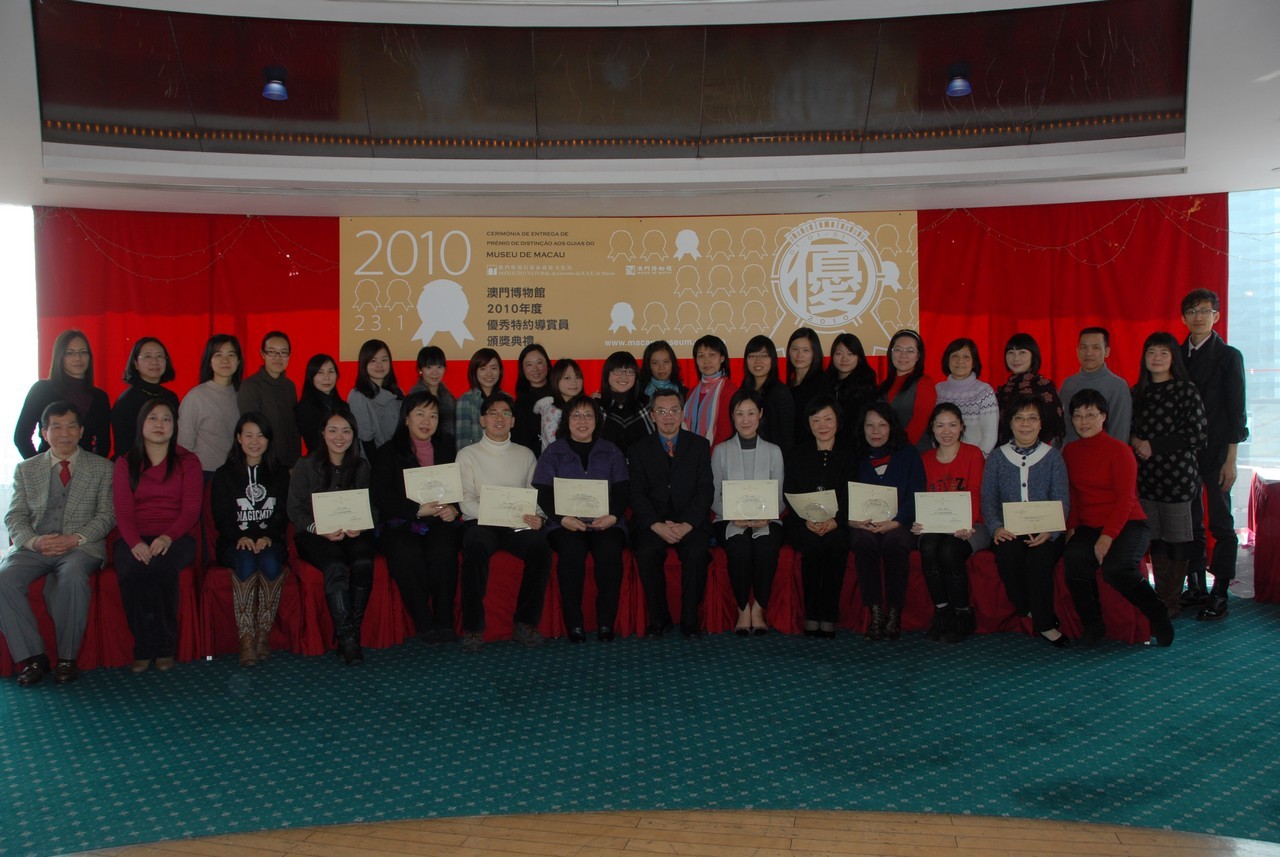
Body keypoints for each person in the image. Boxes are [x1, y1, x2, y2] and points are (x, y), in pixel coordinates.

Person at [0, 402, 114, 686]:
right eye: (57, 427)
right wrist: (34, 541)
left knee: (72, 576)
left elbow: (107, 515)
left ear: (82, 431)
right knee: (3, 579)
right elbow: (14, 515)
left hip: (80, 547)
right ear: (44, 432)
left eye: (72, 426)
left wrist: (74, 538)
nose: (65, 433)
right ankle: (33, 658)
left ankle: (67, 658)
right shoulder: (26, 469)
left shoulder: (102, 467)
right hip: (36, 547)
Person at [1062, 389, 1173, 647]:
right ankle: (1093, 624)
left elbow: (1126, 500)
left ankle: (1157, 612)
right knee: (1074, 557)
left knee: (1115, 568)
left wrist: (1107, 536)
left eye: (1090, 415)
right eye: (1077, 416)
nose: (1083, 421)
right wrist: (1071, 529)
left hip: (1128, 523)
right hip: (1089, 524)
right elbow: (1074, 496)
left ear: (1104, 417)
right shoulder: (1070, 451)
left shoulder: (1120, 451)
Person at [456, 391, 552, 651]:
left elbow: (535, 495)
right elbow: (465, 501)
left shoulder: (526, 454)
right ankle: (473, 628)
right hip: (481, 522)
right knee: (475, 548)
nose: (499, 418)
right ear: (482, 420)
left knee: (540, 549)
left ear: (513, 421)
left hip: (516, 524)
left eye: (506, 413)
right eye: (492, 413)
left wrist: (539, 518)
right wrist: (494, 513)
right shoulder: (467, 454)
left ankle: (525, 623)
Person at [112, 399, 202, 673]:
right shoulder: (125, 462)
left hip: (177, 536)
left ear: (175, 427)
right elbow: (123, 511)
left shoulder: (188, 461)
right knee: (131, 569)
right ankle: (143, 646)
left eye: (166, 419)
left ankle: (165, 647)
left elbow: (191, 510)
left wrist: (167, 537)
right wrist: (135, 543)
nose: (159, 424)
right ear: (141, 424)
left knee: (161, 567)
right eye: (153, 418)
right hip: (135, 536)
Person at [532, 394, 629, 643]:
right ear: (566, 420)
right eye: (576, 415)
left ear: (597, 420)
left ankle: (606, 622)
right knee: (571, 552)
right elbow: (543, 491)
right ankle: (574, 624)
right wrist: (562, 518)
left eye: (588, 415)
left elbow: (623, 489)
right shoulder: (553, 452)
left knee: (610, 551)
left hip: (606, 522)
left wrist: (613, 516)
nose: (582, 421)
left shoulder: (611, 451)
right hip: (564, 523)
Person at [371, 391, 461, 644]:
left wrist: (454, 508)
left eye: (433, 415)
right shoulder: (388, 451)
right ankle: (423, 621)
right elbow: (380, 495)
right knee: (406, 553)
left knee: (444, 550)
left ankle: (444, 620)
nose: (426, 421)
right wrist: (417, 510)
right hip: (401, 522)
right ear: (406, 418)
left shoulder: (448, 446)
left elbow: (460, 487)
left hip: (439, 520)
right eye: (420, 414)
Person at [982, 394, 1072, 647]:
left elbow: (1062, 499)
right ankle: (1026, 608)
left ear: (1041, 424)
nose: (1025, 424)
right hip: (1009, 529)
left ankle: (1044, 624)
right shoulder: (997, 457)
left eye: (1032, 418)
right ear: (1010, 423)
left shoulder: (1053, 457)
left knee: (1039, 560)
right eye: (1019, 418)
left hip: (1046, 530)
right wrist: (996, 527)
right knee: (1007, 555)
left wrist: (1051, 531)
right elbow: (988, 499)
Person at [1179, 288, 1248, 619]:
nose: (1199, 317)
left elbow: (1237, 412)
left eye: (1205, 311)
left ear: (1216, 316)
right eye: (1192, 311)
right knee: (1189, 521)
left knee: (1220, 521)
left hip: (1219, 451)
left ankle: (1220, 591)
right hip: (1184, 453)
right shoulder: (1177, 354)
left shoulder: (1229, 356)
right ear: (1183, 318)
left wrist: (1231, 459)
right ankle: (1195, 586)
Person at [288, 408, 375, 665]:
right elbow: (294, 509)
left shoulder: (362, 466)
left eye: (346, 431)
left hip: (353, 532)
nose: (339, 437)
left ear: (353, 435)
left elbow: (373, 506)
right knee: (335, 565)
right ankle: (348, 641)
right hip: (314, 534)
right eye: (333, 430)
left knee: (364, 562)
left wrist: (362, 525)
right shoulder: (305, 465)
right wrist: (318, 528)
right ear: (323, 433)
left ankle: (351, 633)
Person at [1130, 332, 1207, 618]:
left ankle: (1171, 600)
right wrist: (1136, 441)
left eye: (1164, 352)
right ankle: (1160, 595)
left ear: (1173, 358)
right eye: (1152, 352)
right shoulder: (1137, 392)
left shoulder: (1186, 390)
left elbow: (1197, 434)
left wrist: (1153, 445)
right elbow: (1127, 427)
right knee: (1156, 538)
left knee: (1177, 539)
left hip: (1178, 478)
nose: (1157, 358)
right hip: (1146, 478)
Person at [629, 389, 713, 638]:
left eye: (674, 410)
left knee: (697, 552)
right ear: (652, 415)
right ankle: (659, 618)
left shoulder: (699, 445)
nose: (668, 416)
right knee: (647, 552)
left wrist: (687, 524)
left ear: (682, 413)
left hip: (689, 521)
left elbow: (705, 490)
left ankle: (690, 619)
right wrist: (656, 525)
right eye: (662, 411)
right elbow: (636, 494)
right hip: (653, 522)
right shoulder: (638, 449)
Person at [211, 412, 290, 667]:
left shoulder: (280, 473)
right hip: (234, 541)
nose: (255, 441)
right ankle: (246, 639)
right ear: (238, 438)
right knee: (245, 560)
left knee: (270, 561)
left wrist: (268, 536)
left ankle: (262, 635)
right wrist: (240, 536)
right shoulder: (224, 474)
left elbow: (282, 513)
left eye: (261, 436)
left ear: (268, 440)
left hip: (270, 539)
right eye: (248, 435)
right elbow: (221, 515)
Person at [913, 403, 990, 643]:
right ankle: (942, 611)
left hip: (972, 524)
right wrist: (919, 521)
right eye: (940, 425)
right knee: (928, 547)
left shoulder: (973, 454)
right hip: (937, 525)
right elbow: (921, 497)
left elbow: (975, 492)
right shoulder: (925, 459)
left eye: (952, 425)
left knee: (949, 550)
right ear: (932, 429)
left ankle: (963, 614)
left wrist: (966, 524)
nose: (946, 431)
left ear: (961, 427)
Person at [711, 389, 784, 636]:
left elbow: (780, 496)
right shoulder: (721, 451)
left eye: (751, 413)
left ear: (760, 414)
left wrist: (767, 515)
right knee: (740, 548)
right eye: (739, 413)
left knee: (765, 548)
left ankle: (759, 608)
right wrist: (734, 515)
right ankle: (743, 608)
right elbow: (713, 496)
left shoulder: (774, 451)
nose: (745, 420)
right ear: (732, 416)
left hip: (768, 518)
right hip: (729, 518)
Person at [849, 401, 925, 641]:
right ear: (861, 428)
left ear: (891, 427)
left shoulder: (908, 453)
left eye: (882, 425)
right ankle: (875, 612)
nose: (875, 431)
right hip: (863, 523)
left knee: (896, 543)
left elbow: (917, 493)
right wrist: (853, 521)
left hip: (899, 523)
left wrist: (897, 521)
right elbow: (843, 494)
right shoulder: (854, 455)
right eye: (869, 425)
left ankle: (894, 612)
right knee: (863, 542)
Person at [15, 329, 110, 459]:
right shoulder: (41, 390)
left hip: (86, 467)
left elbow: (104, 444)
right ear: (59, 357)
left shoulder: (100, 397)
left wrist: (93, 468)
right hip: (48, 464)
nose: (78, 358)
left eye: (83, 352)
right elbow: (21, 437)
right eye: (70, 353)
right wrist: (38, 466)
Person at [178, 333, 243, 475]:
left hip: (235, 473)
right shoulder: (196, 396)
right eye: (218, 355)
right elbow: (184, 444)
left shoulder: (242, 396)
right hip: (204, 472)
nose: (225, 360)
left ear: (238, 361)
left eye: (231, 355)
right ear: (209, 361)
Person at [237, 331, 301, 468]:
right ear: (262, 354)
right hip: (261, 463)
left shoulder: (289, 386)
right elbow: (251, 431)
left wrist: (295, 465)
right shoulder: (250, 386)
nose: (278, 357)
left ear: (289, 355)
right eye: (272, 352)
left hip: (286, 465)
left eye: (283, 352)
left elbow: (294, 430)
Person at [1058, 327, 1131, 444]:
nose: (1089, 353)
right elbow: (1061, 427)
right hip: (1069, 452)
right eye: (1084, 347)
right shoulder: (1068, 384)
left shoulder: (1118, 386)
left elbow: (1120, 432)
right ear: (1077, 351)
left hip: (1103, 453)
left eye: (1096, 347)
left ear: (1107, 351)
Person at [111, 337, 179, 461]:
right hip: (135, 465)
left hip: (167, 464)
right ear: (136, 363)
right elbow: (123, 448)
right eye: (148, 356)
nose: (155, 362)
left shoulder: (171, 398)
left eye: (160, 356)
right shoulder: (126, 401)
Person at [995, 333, 1065, 446]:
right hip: (1006, 451)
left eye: (1022, 352)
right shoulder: (1003, 391)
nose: (1016, 358)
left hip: (1039, 451)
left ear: (1033, 355)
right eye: (1011, 353)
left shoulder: (1044, 387)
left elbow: (1054, 425)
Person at [934, 338, 999, 456]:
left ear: (973, 363)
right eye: (955, 356)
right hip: (943, 459)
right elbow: (932, 430)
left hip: (973, 460)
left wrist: (975, 460)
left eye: (966, 357)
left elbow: (990, 437)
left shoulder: (984, 391)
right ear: (947, 360)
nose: (960, 361)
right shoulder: (937, 390)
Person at [877, 329, 936, 451]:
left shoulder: (924, 383)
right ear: (891, 353)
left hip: (913, 452)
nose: (903, 355)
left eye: (910, 350)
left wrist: (900, 451)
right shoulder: (883, 386)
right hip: (884, 452)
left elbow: (919, 422)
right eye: (898, 349)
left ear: (918, 356)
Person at [347, 338, 404, 459]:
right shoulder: (358, 396)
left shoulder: (398, 392)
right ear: (364, 363)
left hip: (398, 457)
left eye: (384, 360)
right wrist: (379, 467)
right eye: (373, 360)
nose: (379, 365)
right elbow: (366, 440)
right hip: (373, 460)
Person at [741, 335, 795, 456]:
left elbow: (786, 437)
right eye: (752, 356)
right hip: (745, 454)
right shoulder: (743, 390)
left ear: (773, 359)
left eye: (764, 355)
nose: (757, 361)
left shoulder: (781, 393)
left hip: (772, 458)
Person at [683, 334, 737, 446]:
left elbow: (726, 431)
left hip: (718, 452)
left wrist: (707, 454)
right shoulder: (691, 393)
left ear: (722, 358)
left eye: (712, 355)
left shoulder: (730, 390)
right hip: (692, 452)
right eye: (701, 356)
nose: (706, 361)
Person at [827, 332, 878, 450]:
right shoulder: (826, 382)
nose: (844, 359)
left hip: (856, 446)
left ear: (859, 357)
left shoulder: (866, 386)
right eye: (839, 353)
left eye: (850, 353)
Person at [597, 351, 650, 456]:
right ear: (607, 373)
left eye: (629, 371)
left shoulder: (647, 403)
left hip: (642, 464)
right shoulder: (596, 406)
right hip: (605, 465)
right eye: (618, 371)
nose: (624, 376)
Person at [785, 327, 833, 441]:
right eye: (795, 349)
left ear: (815, 353)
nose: (799, 355)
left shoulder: (822, 384)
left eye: (806, 350)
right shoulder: (789, 385)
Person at [455, 347, 503, 451]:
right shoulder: (466, 400)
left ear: (500, 371)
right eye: (483, 368)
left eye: (493, 368)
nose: (489, 373)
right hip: (474, 459)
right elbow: (462, 443)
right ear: (474, 371)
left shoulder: (507, 399)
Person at [533, 358, 585, 451]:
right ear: (556, 380)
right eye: (567, 378)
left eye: (577, 377)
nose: (574, 382)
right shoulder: (552, 411)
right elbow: (554, 445)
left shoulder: (585, 406)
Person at [295, 354, 341, 458]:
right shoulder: (304, 408)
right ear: (311, 377)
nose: (327, 377)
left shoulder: (344, 406)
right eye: (320, 372)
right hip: (318, 462)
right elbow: (314, 444)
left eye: (331, 371)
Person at [408, 345, 457, 441]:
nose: (435, 372)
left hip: (448, 446)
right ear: (420, 370)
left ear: (445, 368)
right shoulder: (414, 398)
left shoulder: (450, 398)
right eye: (429, 367)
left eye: (439, 367)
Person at [512, 343, 552, 457]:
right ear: (522, 369)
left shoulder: (560, 393)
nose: (535, 369)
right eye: (529, 364)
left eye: (539, 363)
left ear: (547, 365)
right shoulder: (520, 402)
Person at [637, 340, 686, 408]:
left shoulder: (685, 393)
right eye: (655, 363)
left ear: (672, 363)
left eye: (666, 362)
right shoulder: (638, 393)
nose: (661, 367)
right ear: (648, 365)